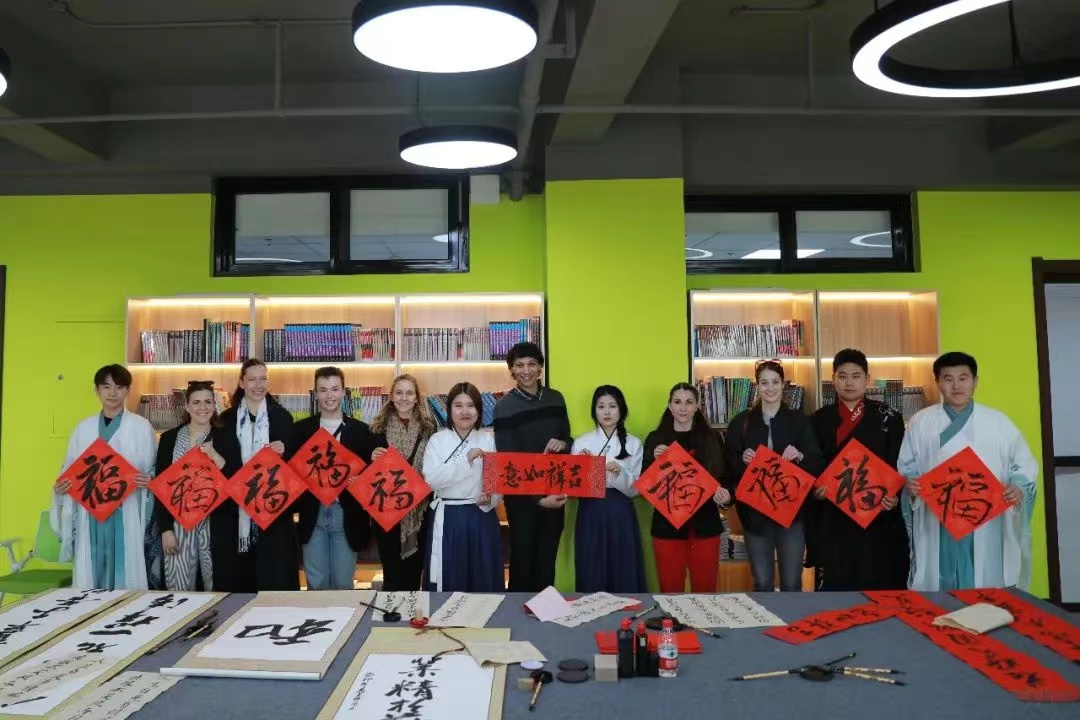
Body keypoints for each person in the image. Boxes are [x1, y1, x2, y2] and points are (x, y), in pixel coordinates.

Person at [899, 352, 1037, 591]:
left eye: (963, 378)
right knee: (940, 578)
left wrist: (1018, 485)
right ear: (937, 382)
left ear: (975, 381)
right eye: (948, 378)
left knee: (985, 580)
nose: (956, 385)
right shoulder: (921, 422)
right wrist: (909, 484)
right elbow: (908, 465)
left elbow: (1022, 464)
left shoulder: (998, 422)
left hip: (985, 517)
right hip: (938, 517)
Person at [51, 365, 156, 590]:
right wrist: (61, 487)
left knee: (126, 569)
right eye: (106, 387)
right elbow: (69, 469)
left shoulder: (141, 427)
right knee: (91, 571)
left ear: (128, 390)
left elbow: (152, 469)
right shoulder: (83, 428)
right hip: (91, 512)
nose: (112, 393)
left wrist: (149, 480)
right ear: (96, 390)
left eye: (119, 387)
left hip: (127, 509)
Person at [810, 350, 909, 590]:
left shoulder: (889, 417)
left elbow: (901, 462)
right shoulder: (818, 419)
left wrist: (894, 496)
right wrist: (816, 491)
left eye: (856, 376)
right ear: (833, 379)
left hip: (877, 513)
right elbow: (812, 464)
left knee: (880, 577)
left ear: (867, 378)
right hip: (835, 513)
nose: (849, 382)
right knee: (837, 581)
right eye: (842, 376)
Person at [724, 360, 822, 592]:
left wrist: (799, 455)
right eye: (764, 382)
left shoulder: (799, 420)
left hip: (791, 513)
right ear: (757, 385)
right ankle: (764, 627)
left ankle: (791, 628)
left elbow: (816, 462)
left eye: (775, 382)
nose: (770, 388)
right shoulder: (742, 422)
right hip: (755, 514)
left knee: (791, 582)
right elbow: (729, 465)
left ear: (783, 385)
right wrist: (743, 460)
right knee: (762, 582)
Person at [213, 358, 299, 592]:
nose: (258, 385)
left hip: (273, 513)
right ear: (241, 382)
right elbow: (222, 466)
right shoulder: (225, 421)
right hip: (234, 512)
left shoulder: (282, 417)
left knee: (273, 582)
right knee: (238, 586)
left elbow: (293, 470)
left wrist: (284, 453)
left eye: (263, 379)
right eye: (252, 379)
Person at [492, 342, 572, 592]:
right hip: (522, 502)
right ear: (512, 371)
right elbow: (507, 463)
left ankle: (543, 623)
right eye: (519, 365)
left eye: (531, 364)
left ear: (540, 368)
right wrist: (538, 500)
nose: (526, 370)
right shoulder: (504, 406)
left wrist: (564, 443)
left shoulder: (555, 398)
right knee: (522, 565)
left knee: (546, 564)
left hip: (555, 495)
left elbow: (568, 441)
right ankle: (517, 623)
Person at [153, 380, 242, 591]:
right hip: (178, 521)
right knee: (178, 585)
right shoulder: (169, 438)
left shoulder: (226, 437)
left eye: (208, 402)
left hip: (216, 521)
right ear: (187, 406)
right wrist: (165, 529)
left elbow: (236, 481)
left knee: (217, 584)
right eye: (196, 402)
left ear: (214, 405)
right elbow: (160, 486)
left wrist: (214, 455)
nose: (202, 408)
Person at [293, 367, 377, 590]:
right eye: (323, 390)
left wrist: (362, 476)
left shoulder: (362, 432)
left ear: (343, 392)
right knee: (316, 583)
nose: (329, 396)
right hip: (313, 513)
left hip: (346, 515)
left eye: (334, 389)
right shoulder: (301, 430)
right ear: (316, 394)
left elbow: (371, 479)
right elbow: (291, 473)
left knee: (343, 582)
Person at [642, 383, 729, 593]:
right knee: (670, 592)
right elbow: (645, 484)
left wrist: (725, 496)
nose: (683, 408)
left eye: (689, 402)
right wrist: (655, 462)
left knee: (705, 592)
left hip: (705, 525)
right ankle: (672, 628)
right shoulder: (656, 439)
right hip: (667, 528)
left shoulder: (712, 438)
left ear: (697, 406)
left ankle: (703, 627)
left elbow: (725, 478)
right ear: (669, 406)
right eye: (677, 402)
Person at [421, 382, 503, 592]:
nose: (465, 411)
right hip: (449, 518)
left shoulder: (487, 439)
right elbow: (431, 480)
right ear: (449, 410)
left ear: (479, 410)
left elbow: (497, 483)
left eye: (471, 405)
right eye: (458, 405)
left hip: (481, 516)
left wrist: (491, 497)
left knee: (482, 576)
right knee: (450, 576)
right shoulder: (437, 440)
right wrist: (464, 460)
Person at [571, 385, 646, 593]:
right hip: (590, 511)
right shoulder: (581, 443)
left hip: (620, 511)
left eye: (612, 406)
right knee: (591, 565)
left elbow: (636, 490)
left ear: (621, 410)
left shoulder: (633, 444)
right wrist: (581, 468)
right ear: (594, 411)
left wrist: (619, 472)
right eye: (601, 406)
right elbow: (572, 488)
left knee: (623, 566)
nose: (606, 412)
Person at [370, 374, 436, 591]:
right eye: (399, 392)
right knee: (391, 573)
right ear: (391, 396)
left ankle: (410, 620)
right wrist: (371, 459)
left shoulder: (429, 429)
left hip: (419, 511)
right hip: (386, 513)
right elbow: (365, 476)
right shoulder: (376, 430)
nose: (404, 398)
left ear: (417, 397)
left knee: (414, 572)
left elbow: (435, 466)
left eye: (409, 393)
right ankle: (390, 620)